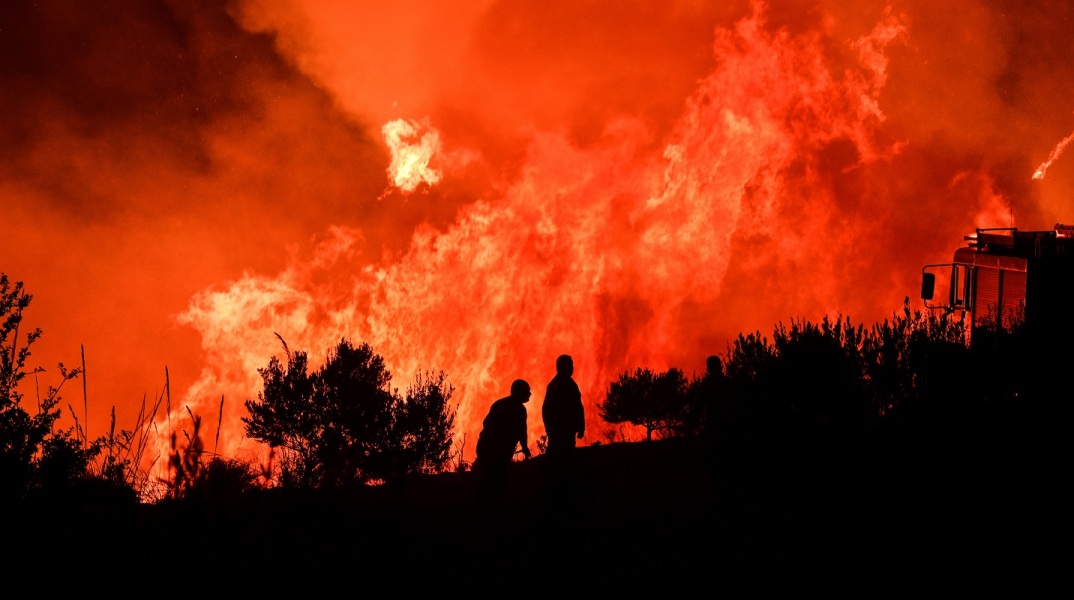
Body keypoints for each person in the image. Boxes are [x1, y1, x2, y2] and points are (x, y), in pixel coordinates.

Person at [474, 379, 532, 506]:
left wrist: (524, 447)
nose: (529, 394)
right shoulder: (514, 408)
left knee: (492, 479)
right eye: (527, 391)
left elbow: (521, 431)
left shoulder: (507, 406)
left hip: (493, 449)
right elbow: (521, 430)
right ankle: (487, 510)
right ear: (518, 392)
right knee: (493, 479)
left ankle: (484, 508)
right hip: (493, 450)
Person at [541, 354, 585, 456]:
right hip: (562, 430)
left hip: (563, 430)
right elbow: (578, 407)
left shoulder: (561, 384)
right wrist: (581, 427)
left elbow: (578, 407)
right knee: (562, 455)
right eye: (570, 365)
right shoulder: (563, 385)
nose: (572, 368)